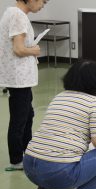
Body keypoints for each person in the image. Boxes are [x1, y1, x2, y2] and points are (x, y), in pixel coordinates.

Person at [23, 60, 96, 189]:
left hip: (29, 167)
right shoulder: (94, 102)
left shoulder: (59, 97)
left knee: (56, 148)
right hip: (57, 174)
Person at [0, 0, 49, 171]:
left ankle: (28, 151)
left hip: (19, 77)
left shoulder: (12, 12)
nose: (43, 5)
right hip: (18, 78)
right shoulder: (18, 15)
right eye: (43, 1)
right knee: (19, 120)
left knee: (27, 115)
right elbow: (19, 49)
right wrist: (34, 50)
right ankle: (16, 160)